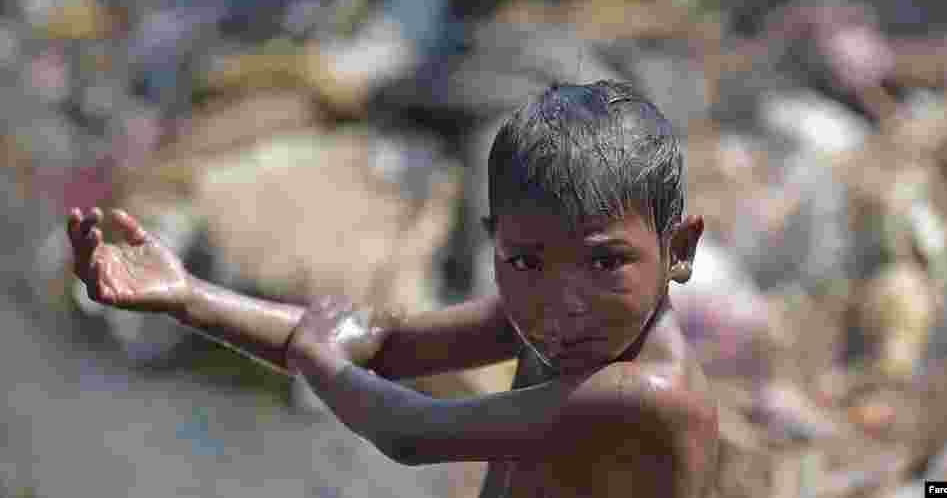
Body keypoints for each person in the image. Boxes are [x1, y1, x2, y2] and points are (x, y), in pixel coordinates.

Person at [66, 79, 719, 497]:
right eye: (526, 261)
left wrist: (317, 358)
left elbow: (414, 430)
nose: (562, 299)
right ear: (493, 243)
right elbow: (376, 344)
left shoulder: (644, 391)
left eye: (605, 264)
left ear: (678, 250)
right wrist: (189, 297)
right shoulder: (553, 328)